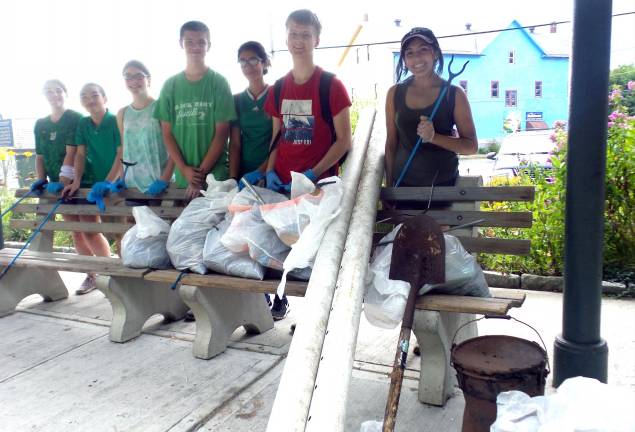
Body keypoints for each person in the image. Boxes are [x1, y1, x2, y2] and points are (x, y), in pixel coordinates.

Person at [263, 9, 353, 320]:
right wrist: (269, 172)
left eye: (305, 34)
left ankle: (319, 324)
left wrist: (314, 174)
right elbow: (277, 137)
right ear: (285, 38)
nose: (298, 40)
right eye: (293, 33)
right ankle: (278, 303)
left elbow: (344, 141)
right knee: (286, 255)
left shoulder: (331, 85)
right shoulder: (278, 88)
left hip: (319, 191)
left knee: (318, 260)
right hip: (286, 188)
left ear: (317, 39)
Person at [384, 27, 477, 196]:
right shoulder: (394, 93)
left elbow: (471, 147)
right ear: (404, 59)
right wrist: (389, 188)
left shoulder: (454, 94)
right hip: (402, 187)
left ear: (435, 53)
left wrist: (434, 137)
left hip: (442, 189)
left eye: (423, 49)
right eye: (409, 53)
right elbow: (391, 144)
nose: (417, 58)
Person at [154, 20, 236, 201]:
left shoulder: (219, 83)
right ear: (180, 43)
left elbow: (222, 133)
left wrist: (199, 177)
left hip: (215, 179)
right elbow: (167, 134)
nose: (195, 46)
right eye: (189, 41)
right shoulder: (170, 85)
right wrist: (184, 170)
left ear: (209, 45)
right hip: (185, 179)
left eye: (201, 42)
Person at [61, 83, 121, 294]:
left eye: (94, 94)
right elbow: (79, 154)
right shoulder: (84, 123)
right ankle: (93, 276)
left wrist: (108, 181)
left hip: (117, 184)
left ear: (105, 98)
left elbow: (121, 153)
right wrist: (76, 180)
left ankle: (120, 278)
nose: (90, 99)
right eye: (84, 96)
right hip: (89, 184)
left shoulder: (115, 120)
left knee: (122, 233)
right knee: (85, 231)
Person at [116, 60, 173, 199]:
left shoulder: (161, 107)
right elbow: (124, 148)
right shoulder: (122, 113)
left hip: (159, 186)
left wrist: (164, 179)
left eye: (138, 75)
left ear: (149, 79)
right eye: (128, 76)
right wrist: (121, 177)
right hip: (131, 187)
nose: (133, 80)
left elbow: (174, 148)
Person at [230, 41, 272, 189]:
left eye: (253, 60)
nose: (247, 66)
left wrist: (263, 171)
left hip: (272, 172)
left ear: (265, 63)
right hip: (244, 173)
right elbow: (235, 144)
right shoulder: (236, 100)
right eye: (242, 61)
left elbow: (282, 141)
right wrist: (233, 179)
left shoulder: (277, 94)